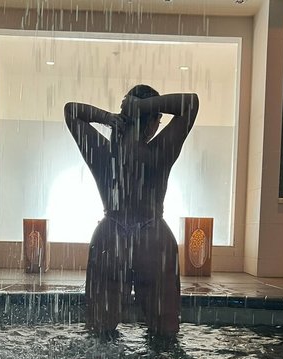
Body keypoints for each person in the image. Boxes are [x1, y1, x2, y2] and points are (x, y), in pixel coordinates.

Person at [64, 85, 199, 337]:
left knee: (99, 336)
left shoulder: (103, 153)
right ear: (154, 121)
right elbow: (191, 104)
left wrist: (108, 118)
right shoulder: (160, 151)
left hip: (111, 238)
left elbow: (71, 111)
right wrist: (144, 107)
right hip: (153, 239)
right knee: (165, 337)